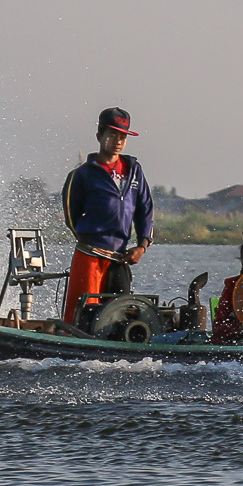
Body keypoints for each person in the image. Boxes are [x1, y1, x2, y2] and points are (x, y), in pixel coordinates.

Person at [61, 107, 154, 325]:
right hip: (89, 256)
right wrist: (90, 239)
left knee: (119, 317)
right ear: (99, 135)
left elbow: (145, 209)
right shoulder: (81, 175)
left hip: (120, 257)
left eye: (123, 136)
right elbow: (71, 216)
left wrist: (142, 245)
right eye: (112, 135)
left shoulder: (134, 171)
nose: (118, 141)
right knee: (82, 315)